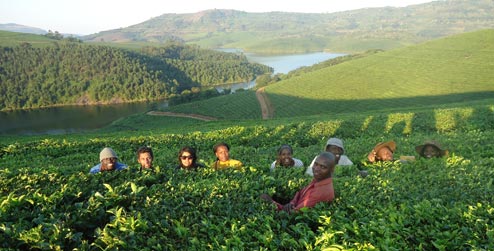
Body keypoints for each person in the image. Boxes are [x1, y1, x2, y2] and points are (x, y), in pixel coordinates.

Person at [261, 152, 336, 213]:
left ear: (332, 170)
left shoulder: (321, 191)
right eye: (316, 164)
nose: (316, 169)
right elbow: (300, 192)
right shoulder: (319, 180)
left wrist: (272, 203)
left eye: (323, 167)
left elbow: (294, 213)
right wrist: (292, 203)